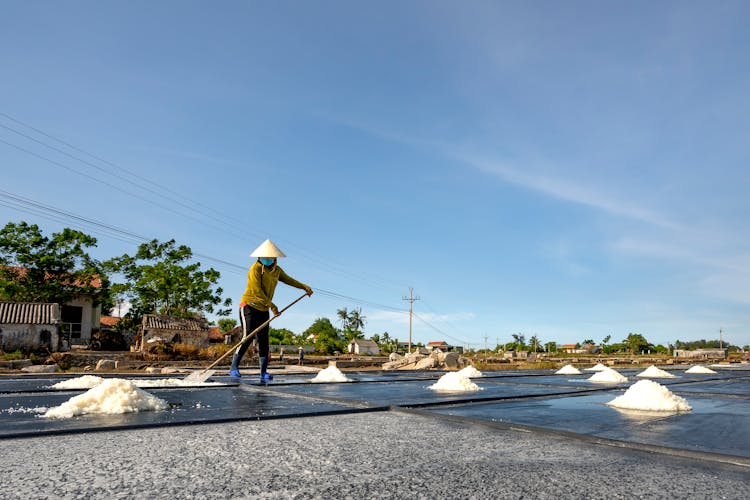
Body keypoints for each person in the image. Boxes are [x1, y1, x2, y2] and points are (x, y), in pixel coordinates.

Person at [229, 239, 312, 382]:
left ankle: (263, 372)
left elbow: (289, 280)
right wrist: (273, 306)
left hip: (263, 309)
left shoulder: (277, 271)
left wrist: (305, 287)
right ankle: (234, 368)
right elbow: (257, 291)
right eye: (263, 258)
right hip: (249, 305)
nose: (266, 260)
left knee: (264, 340)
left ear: (274, 258)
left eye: (269, 258)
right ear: (259, 258)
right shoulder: (255, 269)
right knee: (247, 336)